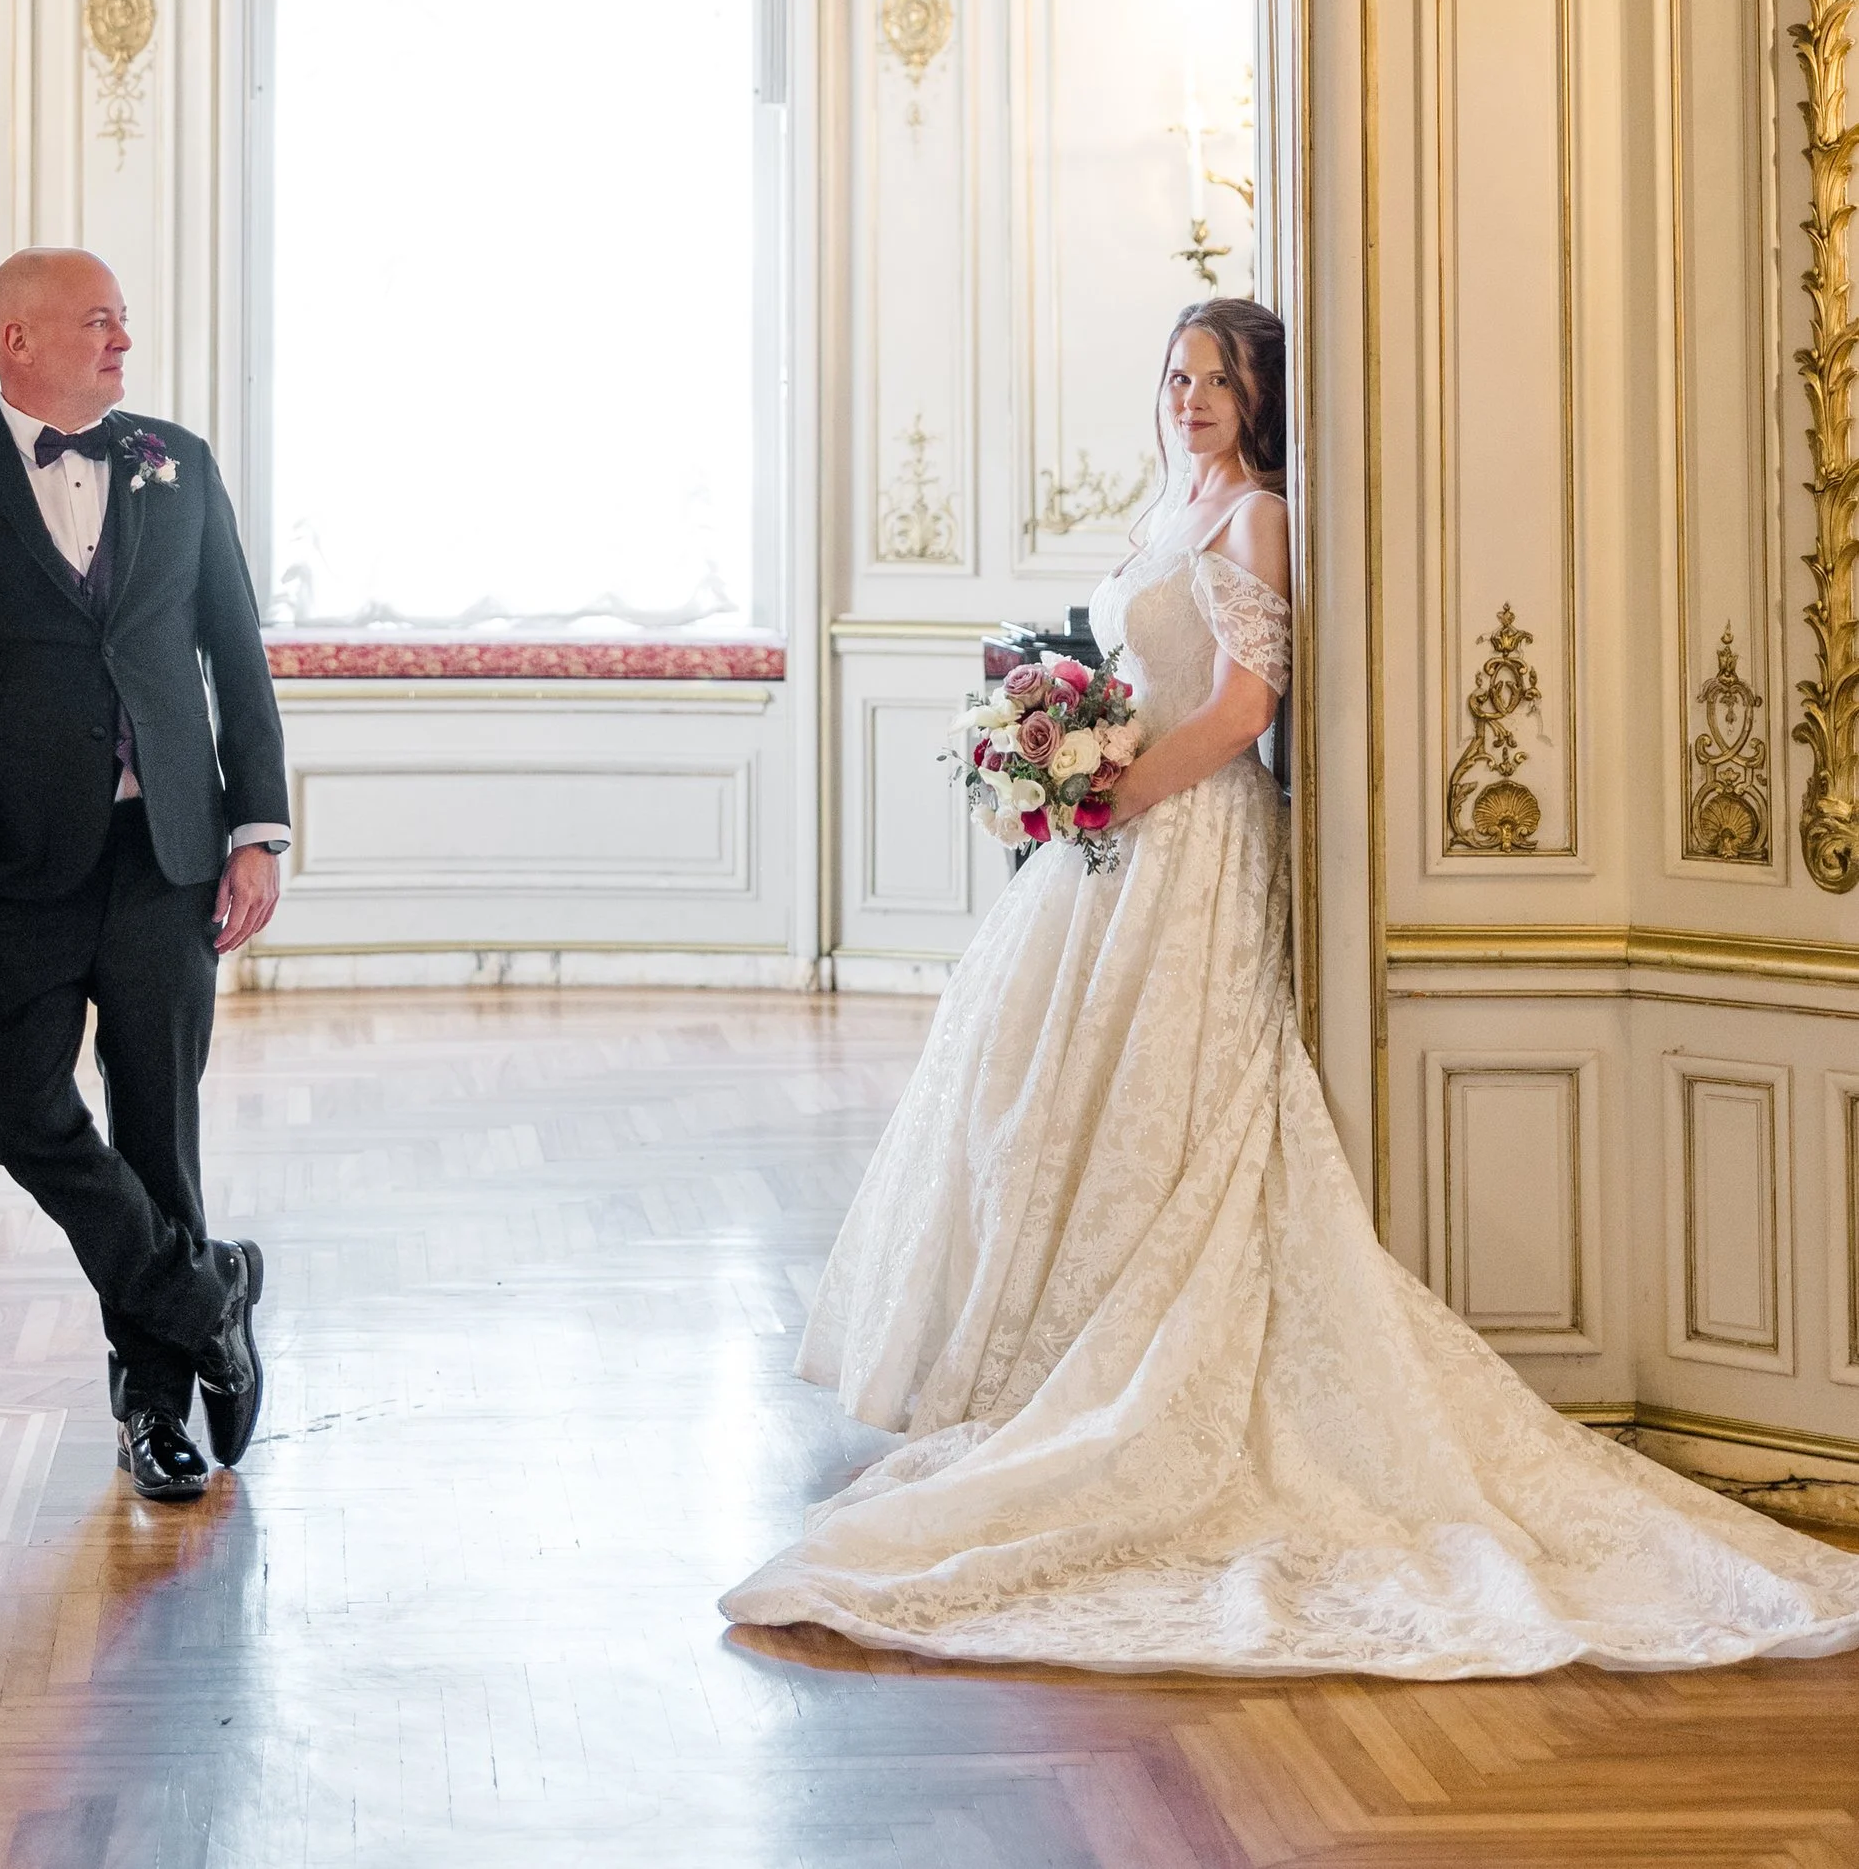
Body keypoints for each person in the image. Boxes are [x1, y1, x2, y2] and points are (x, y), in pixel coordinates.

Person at [723, 300, 1859, 1673]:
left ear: (1257, 400)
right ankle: (1027, 1375)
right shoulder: (1167, 501)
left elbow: (1249, 706)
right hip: (1118, 842)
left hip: (1194, 836)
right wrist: (1057, 755)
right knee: (1040, 1096)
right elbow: (1135, 666)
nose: (1191, 396)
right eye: (1177, 374)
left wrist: (1125, 781)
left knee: (1177, 1104)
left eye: (1218, 379)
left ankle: (1127, 1391)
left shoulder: (1256, 511)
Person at [0, 248, 289, 1501]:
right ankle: (200, 1290)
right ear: (17, 340)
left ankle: (153, 1411)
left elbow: (235, 652)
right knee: (22, 1119)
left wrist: (256, 831)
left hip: (167, 851)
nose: (123, 341)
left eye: (124, 320)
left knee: (158, 1130)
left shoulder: (178, 463)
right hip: (13, 869)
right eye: (97, 322)